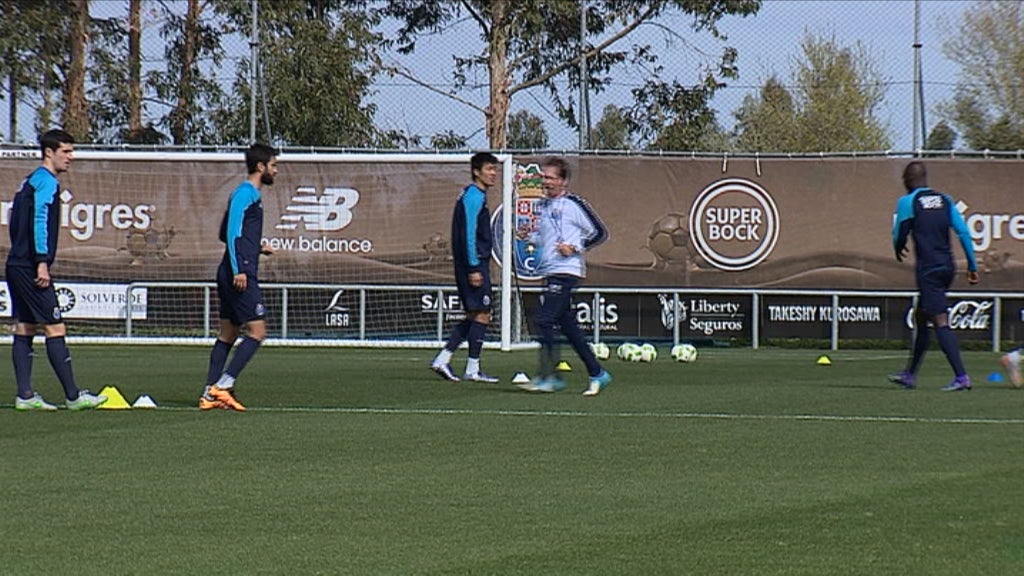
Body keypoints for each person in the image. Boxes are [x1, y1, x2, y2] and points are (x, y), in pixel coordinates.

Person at [6, 129, 108, 411]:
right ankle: (74, 396)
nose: (71, 157)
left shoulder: (29, 181)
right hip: (29, 265)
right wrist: (41, 260)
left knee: (25, 326)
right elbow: (39, 220)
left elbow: (14, 222)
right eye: (66, 151)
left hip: (16, 262)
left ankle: (25, 396)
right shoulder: (46, 183)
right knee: (55, 326)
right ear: (49, 152)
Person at [516, 157, 612, 396]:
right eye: (544, 177)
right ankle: (597, 372)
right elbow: (544, 239)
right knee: (568, 327)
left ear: (563, 180)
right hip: (550, 271)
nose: (545, 181)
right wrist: (528, 236)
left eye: (550, 177)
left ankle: (550, 376)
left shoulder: (573, 204)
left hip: (566, 271)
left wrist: (575, 248)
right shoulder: (544, 206)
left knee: (544, 320)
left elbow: (599, 233)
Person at [198, 143, 278, 411]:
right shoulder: (246, 193)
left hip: (234, 269)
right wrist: (240, 268)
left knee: (228, 333)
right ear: (261, 167)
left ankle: (208, 395)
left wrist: (256, 248)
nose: (275, 171)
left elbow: (226, 233)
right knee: (257, 332)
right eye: (273, 165)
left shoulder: (246, 194)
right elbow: (231, 233)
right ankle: (222, 385)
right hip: (238, 273)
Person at [889, 161, 979, 391]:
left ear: (907, 182)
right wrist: (971, 265)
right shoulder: (945, 200)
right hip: (947, 267)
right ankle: (909, 374)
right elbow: (963, 232)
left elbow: (900, 232)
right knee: (922, 316)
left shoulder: (908, 202)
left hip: (929, 270)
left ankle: (962, 377)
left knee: (939, 320)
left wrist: (898, 247)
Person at [431, 152, 501, 383]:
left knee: (476, 314)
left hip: (473, 262)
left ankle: (448, 360)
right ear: (476, 172)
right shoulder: (473, 196)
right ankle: (465, 366)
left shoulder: (473, 195)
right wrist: (473, 267)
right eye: (489, 169)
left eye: (495, 169)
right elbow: (468, 233)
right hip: (473, 263)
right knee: (481, 313)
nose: (493, 173)